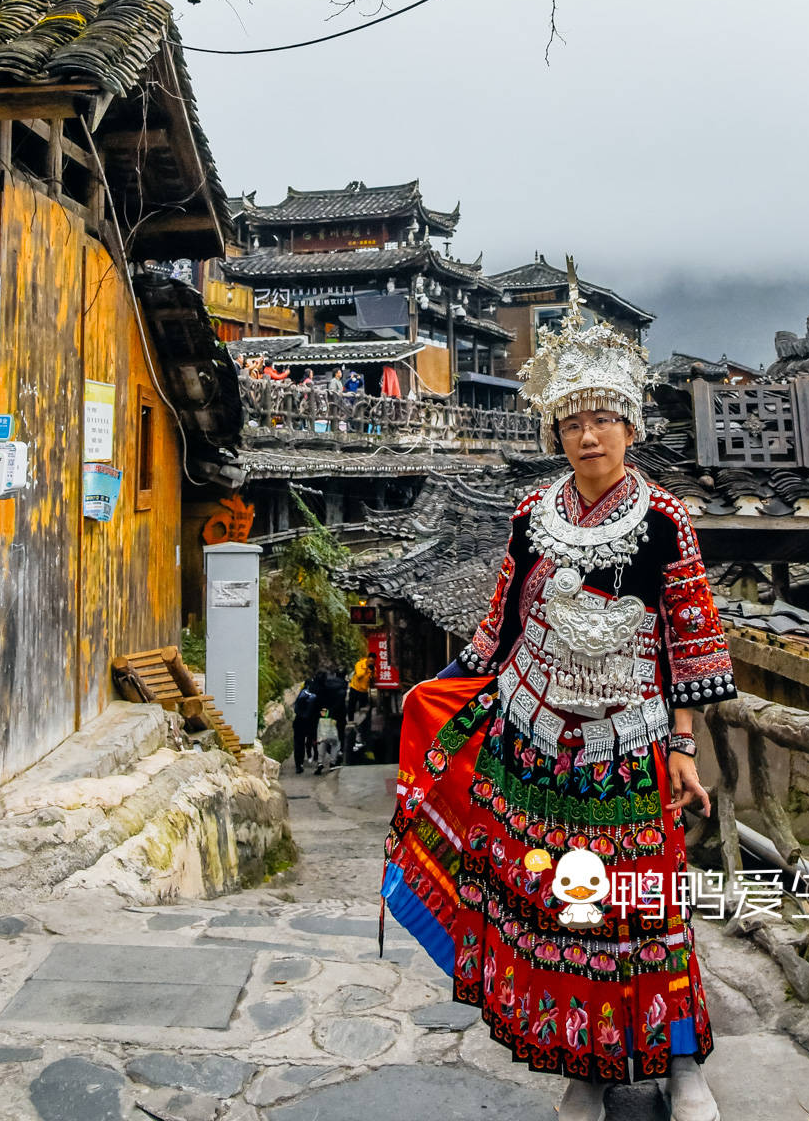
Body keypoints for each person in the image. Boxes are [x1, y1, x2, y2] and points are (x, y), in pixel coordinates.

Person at [381, 272, 735, 1121]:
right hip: (538, 747)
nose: (587, 435)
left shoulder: (663, 521)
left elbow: (687, 641)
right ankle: (588, 1066)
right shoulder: (531, 513)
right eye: (572, 421)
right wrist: (439, 698)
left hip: (632, 744)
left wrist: (682, 745)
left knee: (645, 909)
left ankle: (682, 1064)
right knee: (567, 910)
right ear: (558, 431)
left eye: (601, 419)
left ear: (629, 427)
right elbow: (498, 627)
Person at [292, 676, 321, 775]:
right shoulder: (316, 695)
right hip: (311, 722)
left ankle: (299, 765)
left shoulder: (302, 693)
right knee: (312, 740)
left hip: (299, 721)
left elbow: (296, 708)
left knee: (298, 744)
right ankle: (316, 757)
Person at [315, 706, 340, 773]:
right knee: (335, 744)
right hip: (333, 720)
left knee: (322, 743)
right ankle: (332, 763)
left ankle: (320, 763)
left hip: (321, 722)